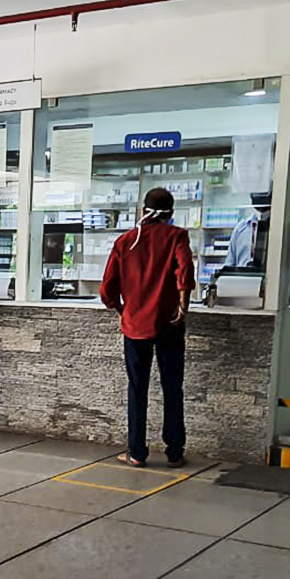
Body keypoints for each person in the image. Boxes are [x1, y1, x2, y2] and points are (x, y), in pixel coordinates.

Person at [99, 186, 196, 469]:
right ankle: (175, 451)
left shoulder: (126, 240)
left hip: (135, 324)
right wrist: (183, 308)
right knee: (172, 387)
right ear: (171, 213)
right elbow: (185, 271)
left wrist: (121, 309)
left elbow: (107, 289)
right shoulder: (177, 235)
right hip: (169, 322)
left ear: (143, 210)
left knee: (137, 388)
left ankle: (137, 452)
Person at [228, 191, 271, 269]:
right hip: (242, 278)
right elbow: (229, 263)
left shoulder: (279, 229)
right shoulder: (240, 229)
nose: (261, 209)